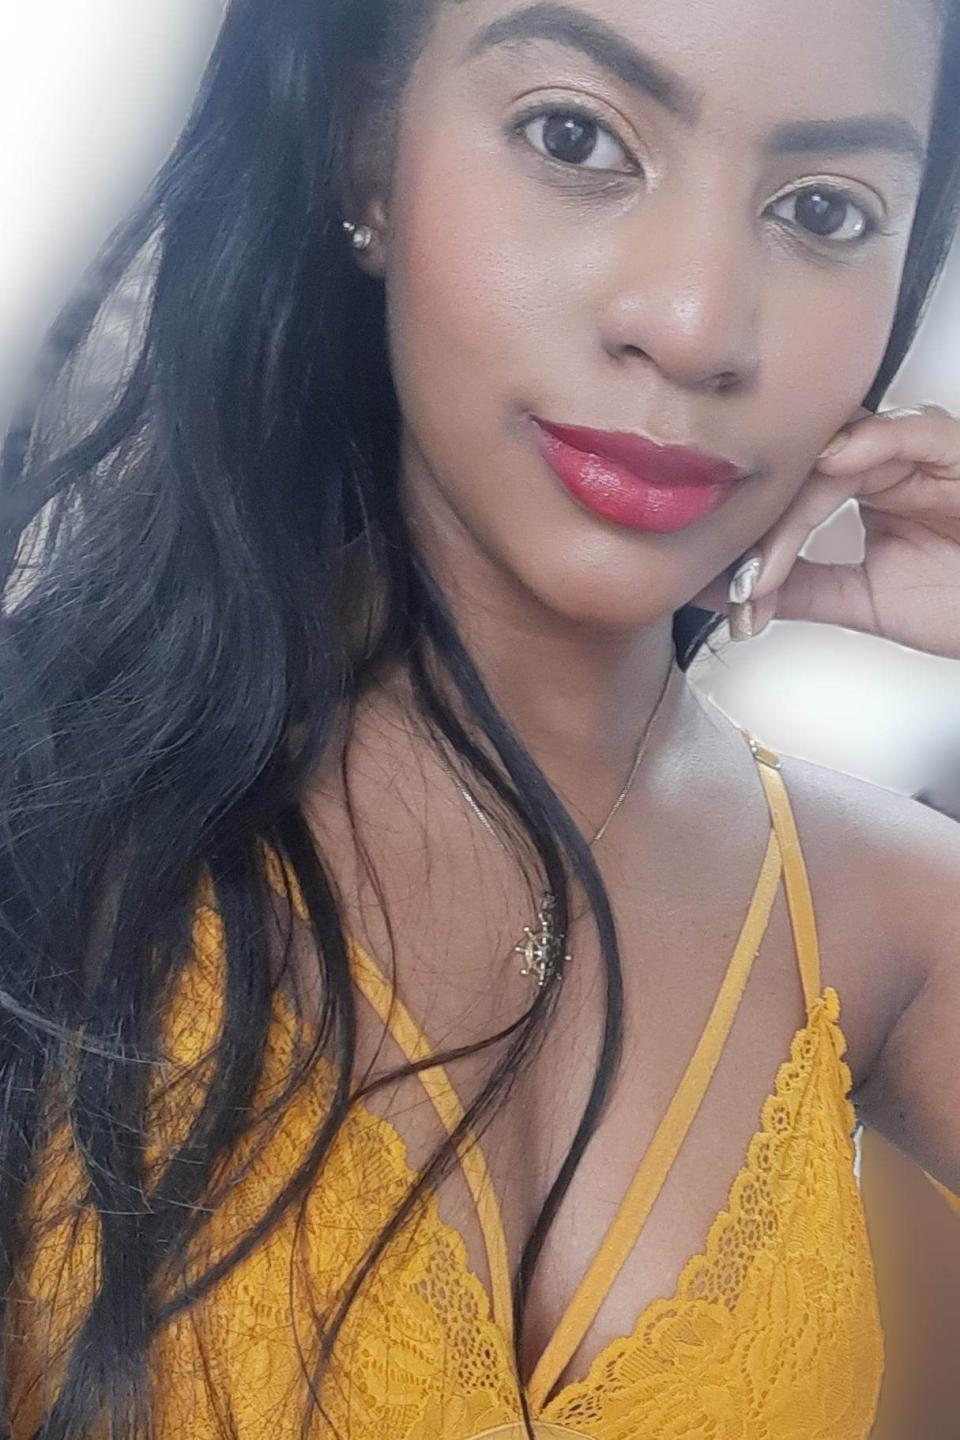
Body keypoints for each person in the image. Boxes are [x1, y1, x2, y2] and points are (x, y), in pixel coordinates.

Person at [2, 1, 960, 1436]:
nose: (693, 324)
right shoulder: (42, 796)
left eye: (824, 210)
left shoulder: (890, 921)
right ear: (365, 151)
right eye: (574, 136)